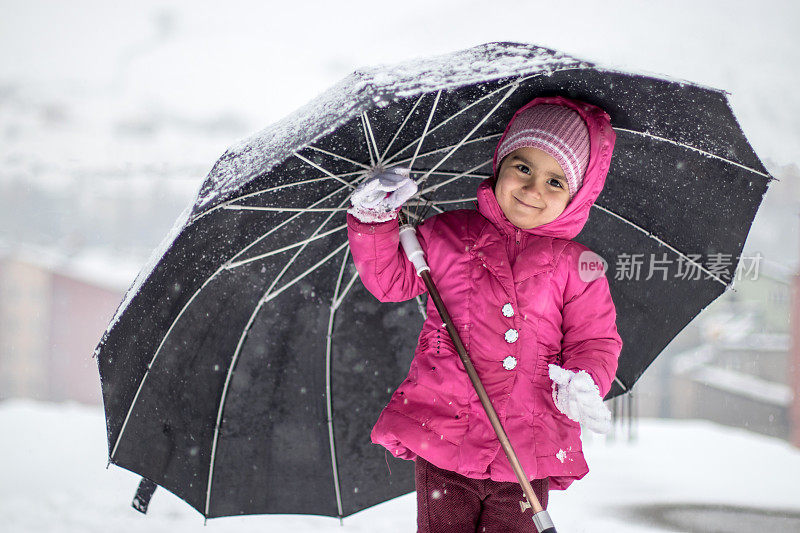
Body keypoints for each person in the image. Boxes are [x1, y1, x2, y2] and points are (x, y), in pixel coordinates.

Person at [345, 95, 622, 533]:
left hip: (526, 448)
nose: (533, 190)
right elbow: (390, 280)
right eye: (524, 167)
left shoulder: (578, 264)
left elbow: (595, 339)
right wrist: (377, 221)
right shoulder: (447, 235)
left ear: (577, 194)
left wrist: (585, 378)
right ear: (500, 164)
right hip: (445, 437)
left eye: (556, 182)